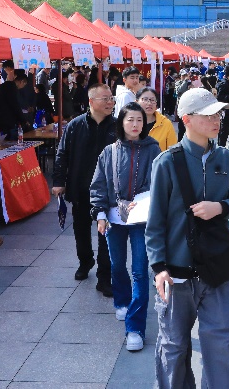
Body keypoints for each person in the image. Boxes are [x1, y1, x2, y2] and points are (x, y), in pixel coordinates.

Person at [146, 87, 229, 389]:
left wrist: (220, 207)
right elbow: (155, 221)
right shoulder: (166, 162)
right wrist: (159, 267)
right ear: (186, 119)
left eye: (218, 114)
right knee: (173, 346)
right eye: (208, 115)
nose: (216, 120)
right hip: (177, 270)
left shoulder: (224, 157)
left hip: (218, 266)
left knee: (222, 342)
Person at [90, 102, 161, 353]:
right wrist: (100, 214)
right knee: (117, 265)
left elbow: (159, 183)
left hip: (142, 219)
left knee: (140, 271)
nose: (135, 124)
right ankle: (121, 301)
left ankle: (135, 328)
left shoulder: (154, 149)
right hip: (114, 219)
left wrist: (144, 200)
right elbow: (98, 185)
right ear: (121, 122)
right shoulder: (109, 151)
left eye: (139, 120)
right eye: (130, 119)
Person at [52, 83, 118, 294]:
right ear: (91, 101)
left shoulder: (118, 126)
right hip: (80, 188)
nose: (110, 102)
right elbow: (62, 154)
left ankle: (104, 277)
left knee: (106, 234)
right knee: (81, 231)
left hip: (108, 191)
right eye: (105, 99)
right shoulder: (75, 125)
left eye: (111, 98)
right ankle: (85, 261)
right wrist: (59, 181)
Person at [0, 69, 32, 137]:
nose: (23, 87)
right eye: (24, 84)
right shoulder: (12, 88)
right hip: (8, 119)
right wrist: (23, 120)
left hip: (1, 116)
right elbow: (15, 105)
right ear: (22, 81)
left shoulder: (4, 85)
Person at [215, 66, 229, 147]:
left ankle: (222, 146)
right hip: (224, 109)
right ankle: (221, 147)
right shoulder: (224, 83)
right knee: (224, 129)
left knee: (225, 129)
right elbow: (219, 97)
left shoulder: (228, 82)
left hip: (228, 109)